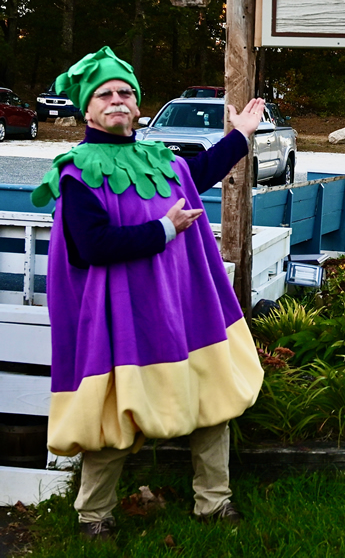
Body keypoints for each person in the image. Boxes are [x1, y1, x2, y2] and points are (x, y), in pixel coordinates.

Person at [32, 47, 265, 540]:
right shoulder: (77, 173)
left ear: (137, 106)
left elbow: (200, 173)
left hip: (182, 307)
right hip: (124, 317)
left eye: (125, 93)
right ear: (86, 109)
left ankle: (214, 504)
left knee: (212, 402)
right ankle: (95, 517)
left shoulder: (160, 159)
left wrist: (239, 136)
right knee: (118, 415)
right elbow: (91, 246)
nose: (117, 100)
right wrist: (164, 229)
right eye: (105, 94)